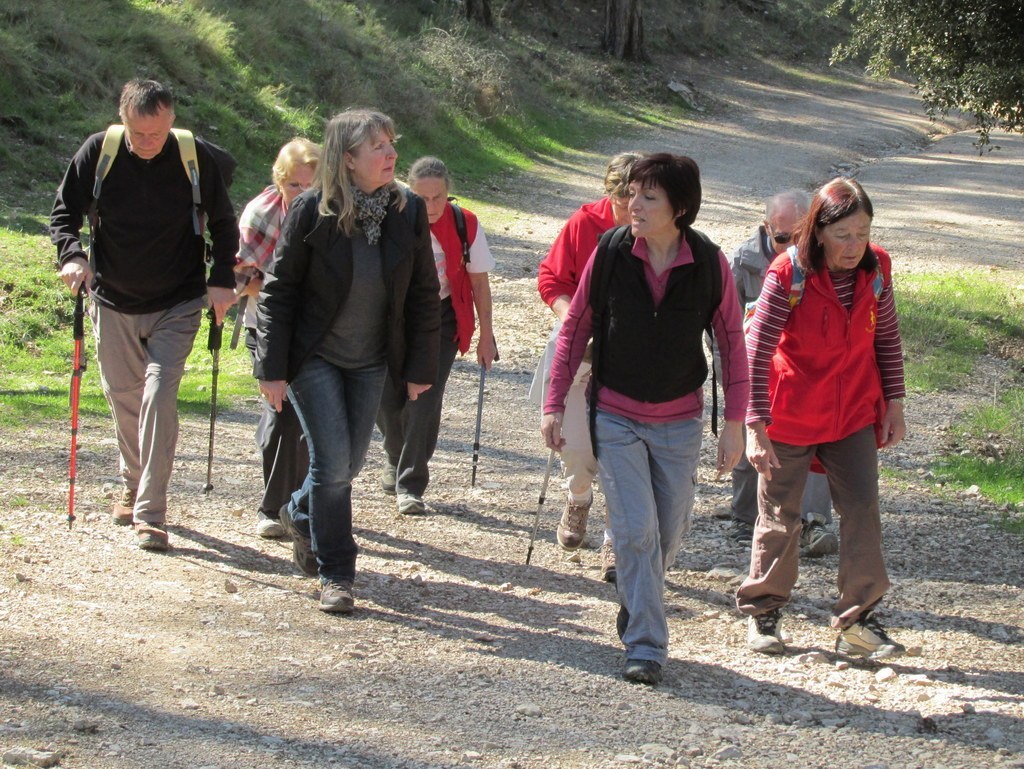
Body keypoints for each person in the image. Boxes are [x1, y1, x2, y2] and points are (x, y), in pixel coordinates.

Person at [542, 154, 748, 685]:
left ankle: (637, 600)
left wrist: (735, 424)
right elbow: (575, 329)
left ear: (680, 208)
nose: (633, 204)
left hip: (679, 420)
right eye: (632, 193)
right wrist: (553, 402)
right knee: (635, 531)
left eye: (648, 197)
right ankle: (647, 645)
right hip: (616, 414)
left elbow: (731, 343)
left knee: (670, 530)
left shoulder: (709, 262)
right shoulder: (610, 253)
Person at [254, 109, 440, 615]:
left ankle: (297, 512)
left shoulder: (407, 210)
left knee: (348, 465)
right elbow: (278, 293)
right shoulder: (313, 210)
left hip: (372, 360)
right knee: (333, 464)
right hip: (314, 357)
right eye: (378, 145)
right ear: (348, 157)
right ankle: (337, 572)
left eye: (391, 142)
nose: (391, 154)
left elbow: (425, 291)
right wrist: (271, 369)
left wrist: (421, 367)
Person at [50, 78, 238, 551]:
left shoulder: (195, 157)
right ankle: (133, 482)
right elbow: (63, 214)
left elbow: (223, 223)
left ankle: (150, 512)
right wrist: (72, 256)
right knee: (124, 397)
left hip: (178, 300)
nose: (147, 142)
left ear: (171, 121)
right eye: (138, 133)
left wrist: (220, 280)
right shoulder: (100, 152)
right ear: (123, 120)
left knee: (158, 394)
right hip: (113, 299)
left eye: (156, 133)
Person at [737, 177, 907, 660]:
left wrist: (893, 402)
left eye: (863, 233)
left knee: (862, 511)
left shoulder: (878, 269)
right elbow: (756, 350)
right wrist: (754, 425)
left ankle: (858, 619)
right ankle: (764, 612)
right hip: (789, 412)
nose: (854, 246)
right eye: (843, 235)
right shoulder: (786, 273)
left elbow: (887, 339)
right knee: (779, 515)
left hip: (853, 410)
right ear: (818, 230)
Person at [532, 151, 646, 582]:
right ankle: (579, 498)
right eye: (624, 200)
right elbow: (551, 279)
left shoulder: (657, 230)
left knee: (623, 449)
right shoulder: (584, 225)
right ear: (610, 194)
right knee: (577, 447)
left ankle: (616, 541)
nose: (632, 210)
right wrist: (571, 318)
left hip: (630, 356)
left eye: (642, 197)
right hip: (580, 352)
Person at [375, 157, 497, 514]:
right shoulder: (390, 217)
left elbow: (478, 281)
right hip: (392, 317)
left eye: (438, 198)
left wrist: (486, 336)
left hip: (441, 318)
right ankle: (394, 453)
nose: (430, 206)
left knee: (425, 398)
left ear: (449, 194)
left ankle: (410, 484)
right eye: (422, 198)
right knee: (385, 396)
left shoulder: (464, 223)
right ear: (407, 191)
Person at [725, 190, 837, 558]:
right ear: (766, 228)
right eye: (784, 238)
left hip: (803, 371)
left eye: (804, 235)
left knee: (817, 439)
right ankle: (745, 518)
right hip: (752, 366)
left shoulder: (831, 259)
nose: (795, 246)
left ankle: (814, 522)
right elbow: (722, 322)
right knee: (749, 442)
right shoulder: (743, 261)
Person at [235, 138, 321, 538]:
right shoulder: (260, 214)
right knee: (281, 412)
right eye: (294, 186)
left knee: (307, 420)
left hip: (318, 330)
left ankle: (303, 501)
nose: (302, 195)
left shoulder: (333, 214)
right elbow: (240, 277)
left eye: (311, 186)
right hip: (267, 324)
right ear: (280, 181)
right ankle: (273, 508)